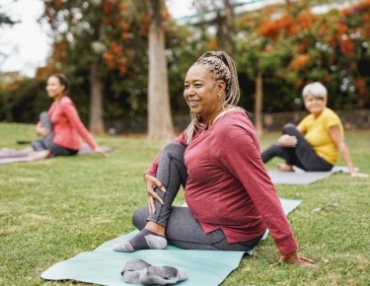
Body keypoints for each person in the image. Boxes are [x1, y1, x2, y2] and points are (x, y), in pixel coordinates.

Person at [113, 51, 313, 266]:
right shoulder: (206, 121)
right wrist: (150, 172)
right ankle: (155, 228)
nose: (189, 92)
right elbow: (175, 145)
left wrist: (289, 249)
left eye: (197, 85)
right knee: (172, 151)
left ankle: (154, 228)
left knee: (140, 215)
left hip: (227, 233)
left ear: (219, 88)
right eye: (186, 86)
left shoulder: (230, 132)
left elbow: (262, 188)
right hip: (211, 219)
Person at [261, 82, 367, 178]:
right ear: (305, 102)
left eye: (318, 99)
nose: (314, 103)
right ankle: (249, 168)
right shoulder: (309, 119)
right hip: (308, 160)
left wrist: (352, 171)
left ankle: (289, 165)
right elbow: (294, 136)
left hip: (322, 163)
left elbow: (340, 144)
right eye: (310, 100)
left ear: (325, 100)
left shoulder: (329, 117)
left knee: (288, 127)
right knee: (275, 147)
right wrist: (282, 140)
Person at [0, 73, 107, 160]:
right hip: (56, 143)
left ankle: (46, 151)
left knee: (43, 118)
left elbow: (78, 125)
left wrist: (94, 146)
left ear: (62, 87)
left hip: (64, 145)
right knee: (36, 140)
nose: (48, 88)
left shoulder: (65, 103)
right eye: (48, 84)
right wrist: (39, 129)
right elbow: (43, 119)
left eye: (53, 85)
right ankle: (45, 152)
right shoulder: (56, 104)